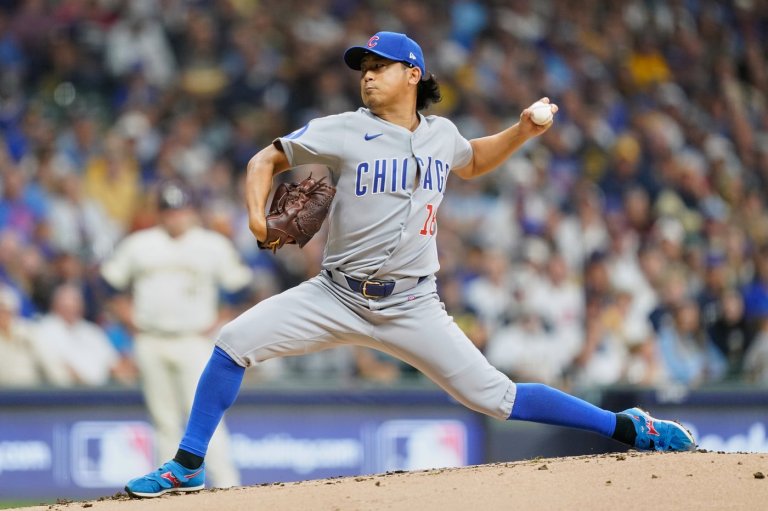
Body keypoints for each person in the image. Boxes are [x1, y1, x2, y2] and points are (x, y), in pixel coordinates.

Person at [124, 31, 696, 498]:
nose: (368, 75)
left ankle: (629, 426)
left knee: (496, 398)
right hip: (335, 294)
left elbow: (473, 160)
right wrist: (256, 218)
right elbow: (263, 160)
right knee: (232, 343)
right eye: (364, 67)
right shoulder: (343, 128)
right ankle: (188, 464)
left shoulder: (442, 136)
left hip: (413, 303)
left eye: (381, 66)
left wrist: (523, 131)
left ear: (413, 75)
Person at [102, 180, 252, 492]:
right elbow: (109, 284)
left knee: (207, 418)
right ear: (159, 213)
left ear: (192, 211)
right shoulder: (140, 244)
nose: (175, 217)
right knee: (164, 420)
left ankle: (228, 487)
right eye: (169, 211)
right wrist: (129, 319)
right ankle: (168, 488)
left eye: (181, 210)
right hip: (150, 339)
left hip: (194, 340)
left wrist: (220, 319)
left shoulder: (212, 244)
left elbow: (241, 287)